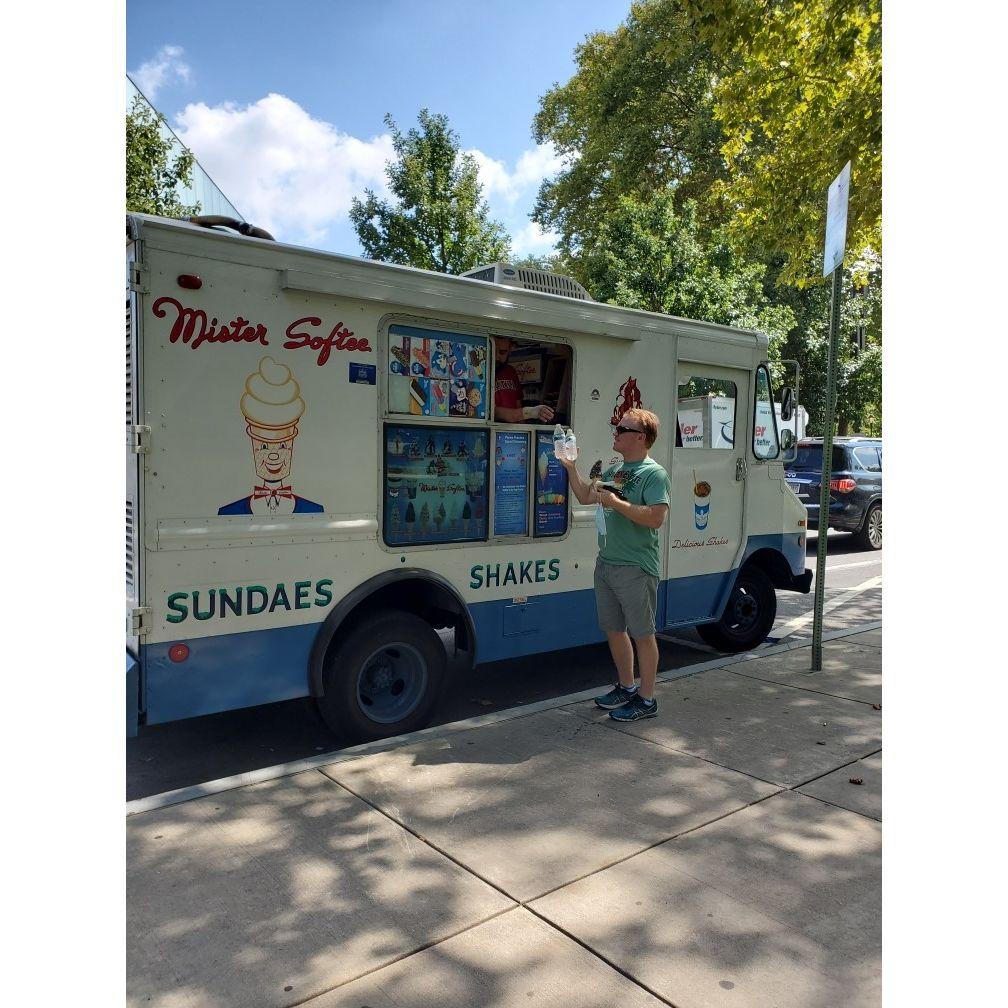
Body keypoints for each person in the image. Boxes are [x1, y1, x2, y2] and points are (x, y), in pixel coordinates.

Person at [558, 408, 669, 720]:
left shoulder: (653, 474)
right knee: (614, 630)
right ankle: (626, 686)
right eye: (616, 427)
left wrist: (617, 503)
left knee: (643, 634)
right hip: (607, 564)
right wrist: (570, 466)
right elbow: (584, 496)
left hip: (636, 567)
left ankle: (647, 700)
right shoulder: (616, 471)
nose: (615, 432)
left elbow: (656, 518)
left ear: (640, 438)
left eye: (622, 428)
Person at [493, 336, 555, 423]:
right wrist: (530, 412)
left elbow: (518, 403)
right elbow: (493, 412)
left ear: (510, 349)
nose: (496, 357)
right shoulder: (483, 374)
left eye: (502, 352)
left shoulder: (511, 372)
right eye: (492, 352)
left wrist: (522, 426)